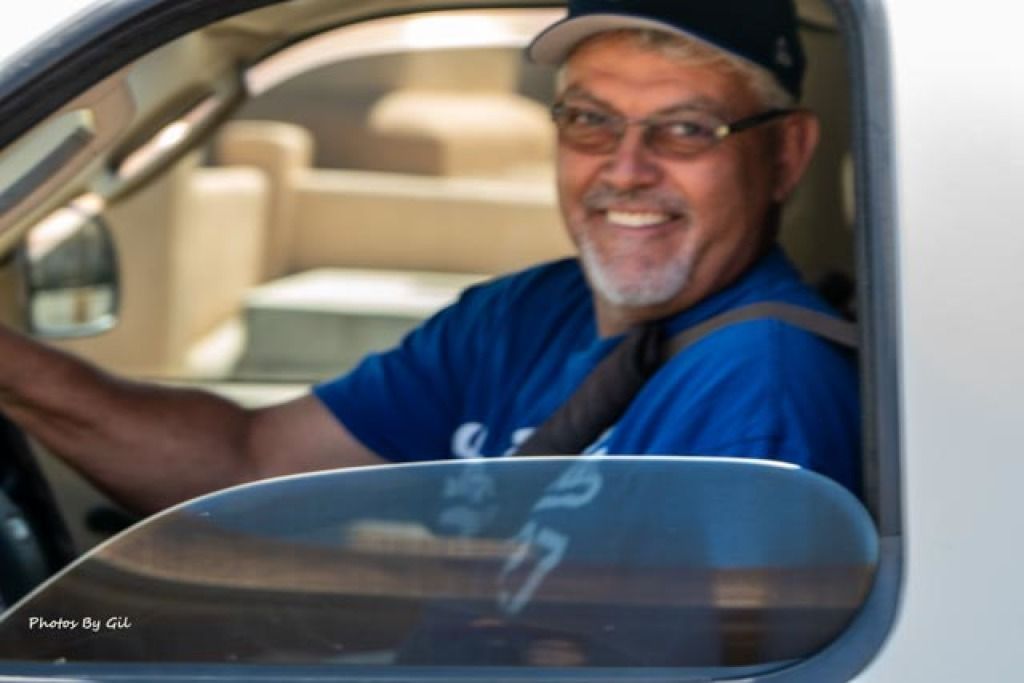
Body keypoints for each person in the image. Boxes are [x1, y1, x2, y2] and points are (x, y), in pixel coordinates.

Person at [0, 0, 859, 515]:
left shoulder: (762, 390)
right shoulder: (518, 317)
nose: (624, 169)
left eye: (685, 128)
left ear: (784, 155)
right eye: (590, 119)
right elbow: (247, 463)